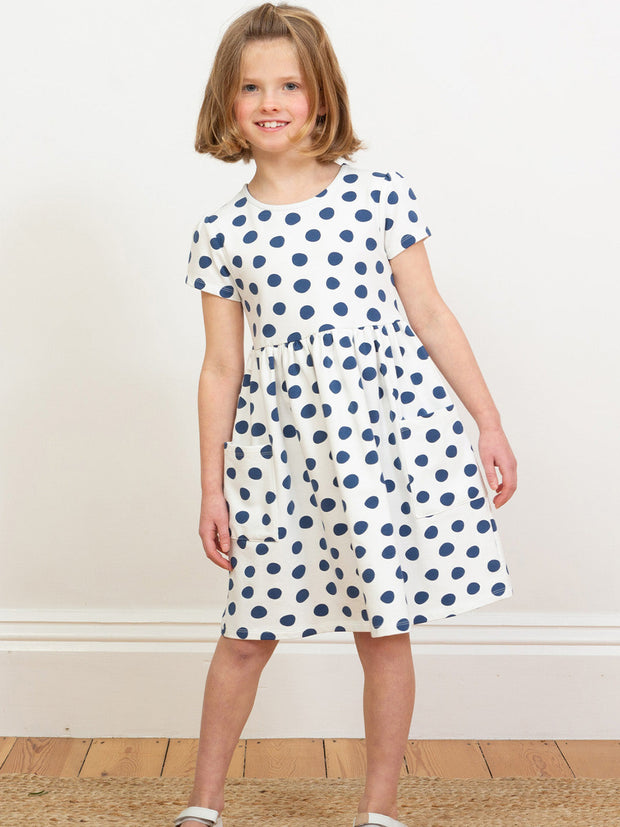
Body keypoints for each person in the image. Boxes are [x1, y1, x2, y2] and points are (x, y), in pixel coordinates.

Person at [175, 4, 517, 827]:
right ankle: (202, 804)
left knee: (383, 626)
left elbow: (430, 314)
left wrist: (488, 420)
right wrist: (212, 485)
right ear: (226, 102)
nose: (270, 102)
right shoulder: (222, 231)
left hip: (380, 444)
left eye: (289, 85)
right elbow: (221, 366)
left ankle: (378, 809)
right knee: (247, 634)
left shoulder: (378, 195)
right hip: (278, 455)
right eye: (251, 87)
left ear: (321, 95)